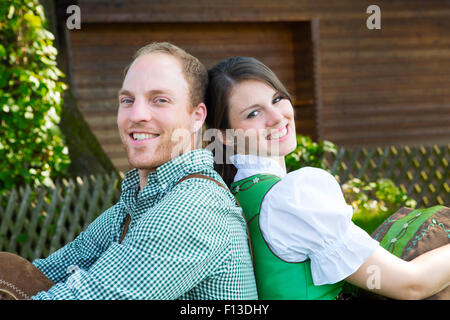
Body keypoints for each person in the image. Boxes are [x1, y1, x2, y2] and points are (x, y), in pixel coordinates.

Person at [9, 43, 258, 300]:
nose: (136, 114)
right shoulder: (130, 208)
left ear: (197, 117)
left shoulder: (194, 206)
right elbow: (45, 274)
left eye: (159, 100)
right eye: (127, 100)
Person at [204, 56, 450, 300]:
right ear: (225, 136)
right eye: (253, 113)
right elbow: (412, 284)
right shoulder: (292, 197)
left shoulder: (237, 194)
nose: (277, 116)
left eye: (277, 99)